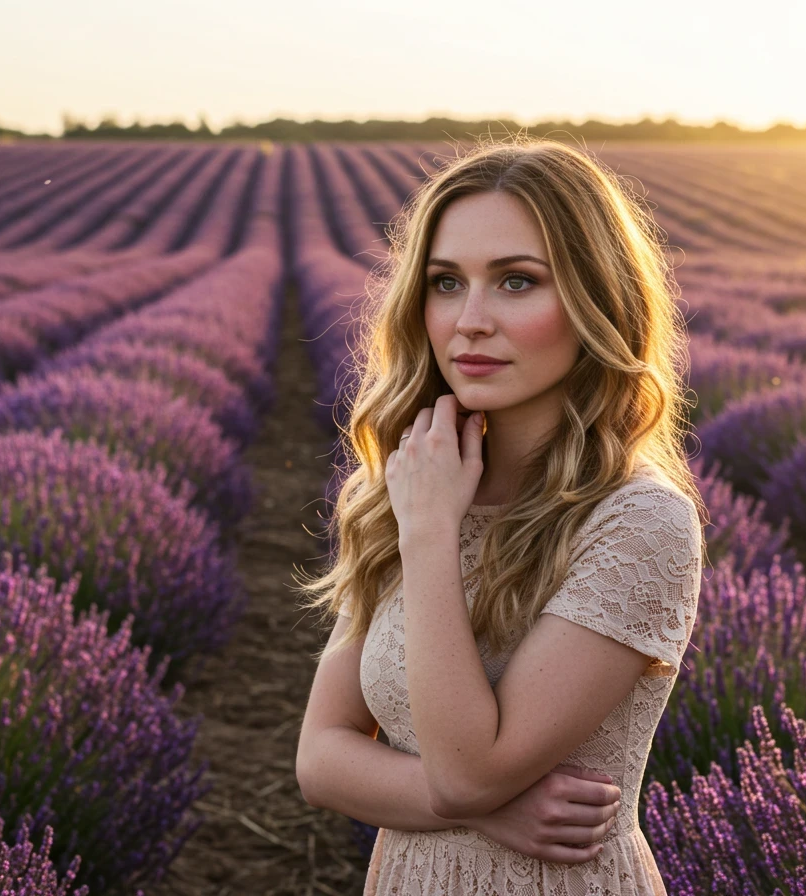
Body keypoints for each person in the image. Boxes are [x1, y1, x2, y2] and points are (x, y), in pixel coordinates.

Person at [294, 134, 708, 895]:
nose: (470, 320)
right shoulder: (412, 487)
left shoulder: (639, 522)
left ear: (596, 301)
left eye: (517, 282)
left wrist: (429, 533)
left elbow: (468, 774)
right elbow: (321, 757)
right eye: (446, 282)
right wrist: (491, 812)